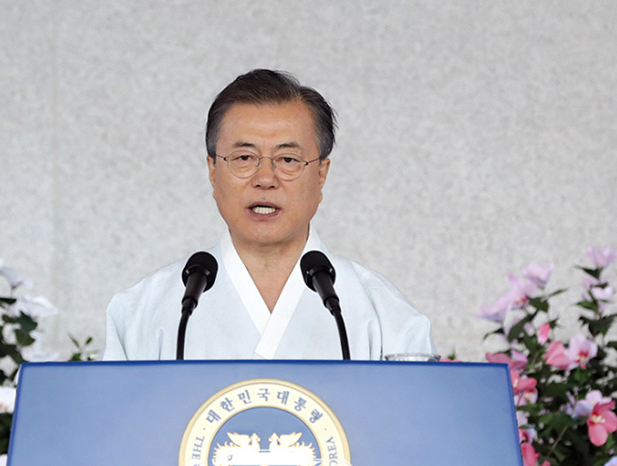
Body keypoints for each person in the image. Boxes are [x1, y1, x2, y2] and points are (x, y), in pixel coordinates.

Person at [102, 69, 435, 360]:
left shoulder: (384, 314)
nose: (265, 179)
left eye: (288, 160)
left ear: (321, 174)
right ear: (213, 171)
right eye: (244, 158)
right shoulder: (141, 311)